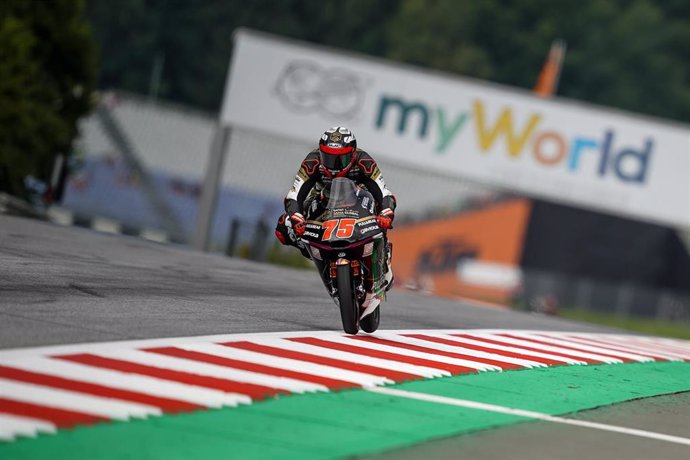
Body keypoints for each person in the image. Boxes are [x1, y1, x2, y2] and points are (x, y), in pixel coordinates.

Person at [275, 126, 396, 290]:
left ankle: (382, 255)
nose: (333, 164)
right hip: (324, 203)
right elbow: (294, 194)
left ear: (352, 153)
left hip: (359, 204)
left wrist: (386, 213)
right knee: (284, 227)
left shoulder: (364, 161)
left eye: (340, 159)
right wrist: (297, 217)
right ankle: (319, 254)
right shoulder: (312, 161)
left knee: (381, 209)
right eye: (328, 157)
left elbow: (384, 192)